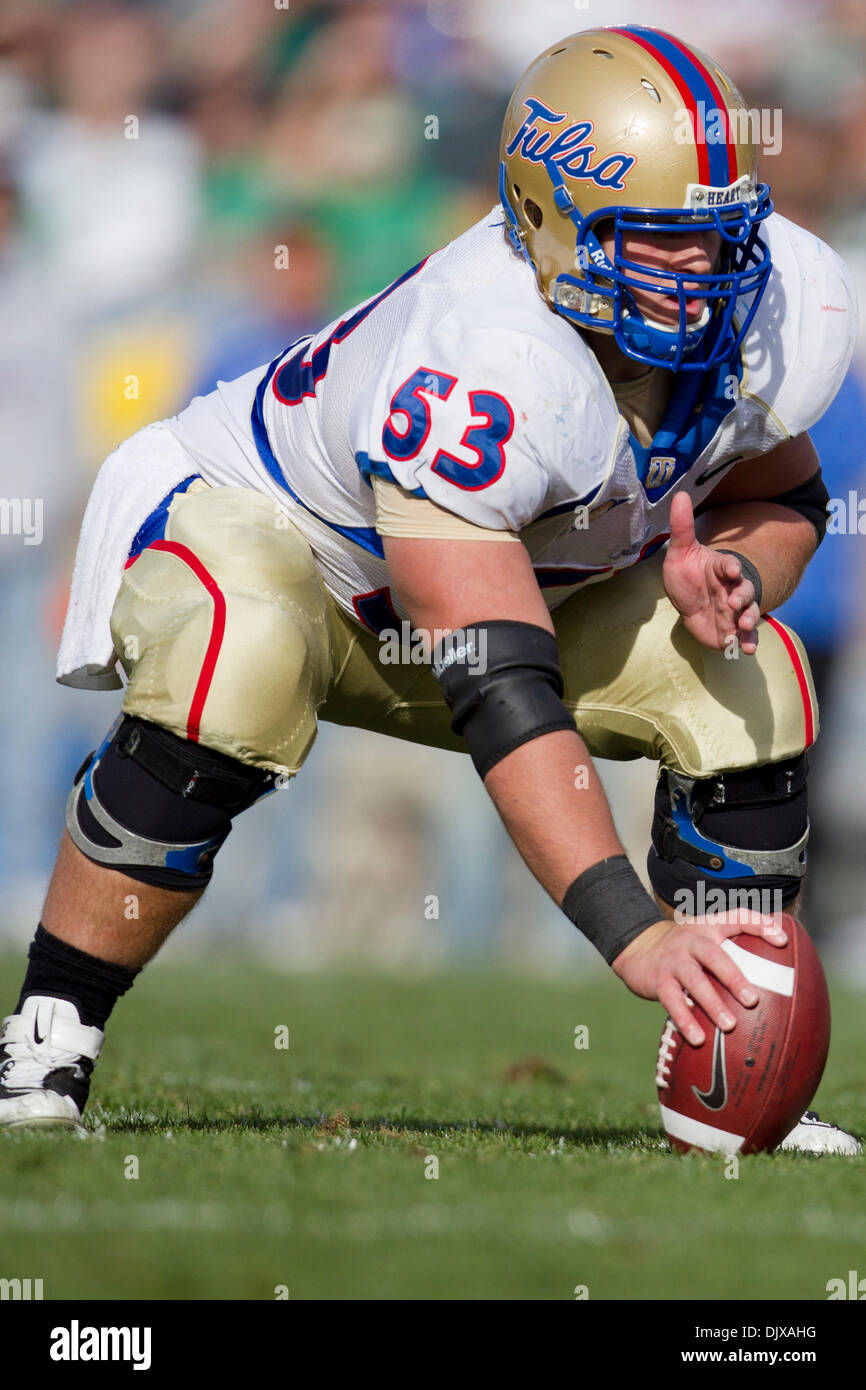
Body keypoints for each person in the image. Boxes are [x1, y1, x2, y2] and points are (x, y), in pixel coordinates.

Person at [0, 26, 858, 1154]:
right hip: (274, 543)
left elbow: (786, 494)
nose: (703, 274)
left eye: (713, 236)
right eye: (658, 242)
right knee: (241, 660)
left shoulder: (772, 300)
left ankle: (725, 1064)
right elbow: (497, 681)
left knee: (748, 677)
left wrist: (734, 573)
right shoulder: (484, 354)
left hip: (489, 597)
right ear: (548, 216)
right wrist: (629, 932)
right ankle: (52, 1026)